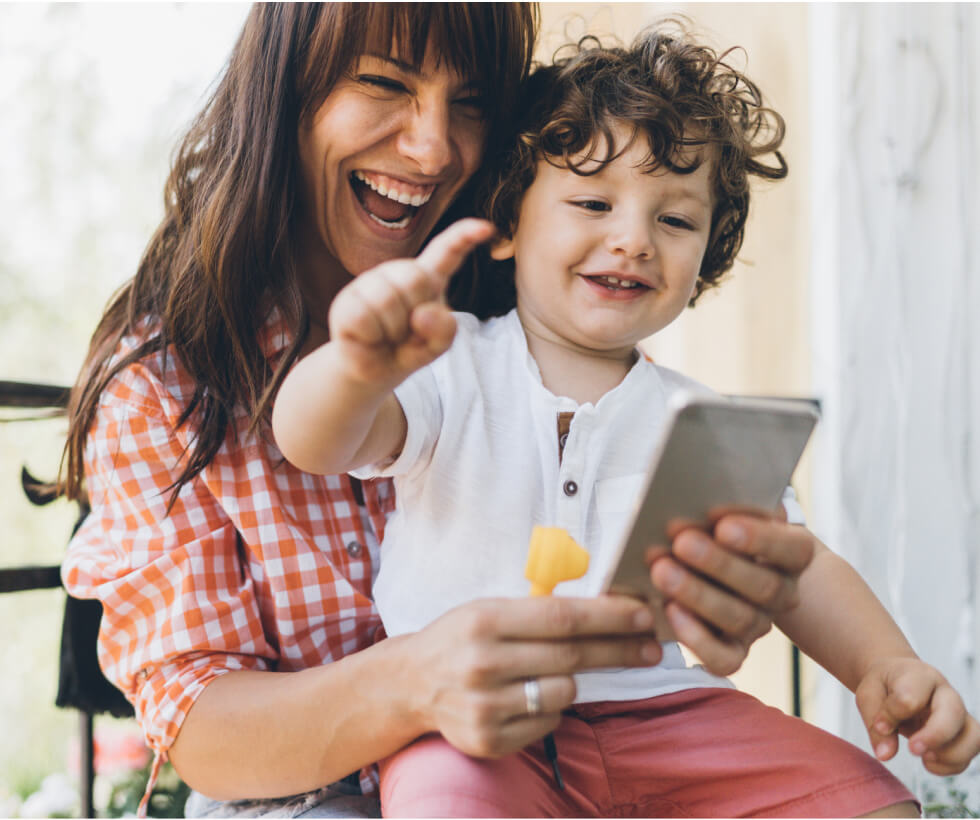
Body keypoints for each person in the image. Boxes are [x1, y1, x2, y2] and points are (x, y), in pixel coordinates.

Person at [62, 4, 825, 817]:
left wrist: (722, 597)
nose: (432, 148)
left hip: (579, 760)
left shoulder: (538, 299)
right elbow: (200, 727)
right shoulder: (165, 379)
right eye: (384, 83)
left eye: (470, 103)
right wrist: (417, 683)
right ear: (285, 96)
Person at [272, 27, 980, 818]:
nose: (634, 239)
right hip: (472, 724)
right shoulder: (451, 363)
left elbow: (797, 568)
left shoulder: (694, 420)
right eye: (591, 203)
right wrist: (356, 368)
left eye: (676, 222)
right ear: (507, 223)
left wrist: (884, 665)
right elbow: (314, 441)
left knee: (872, 803)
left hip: (673, 719)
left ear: (706, 258)